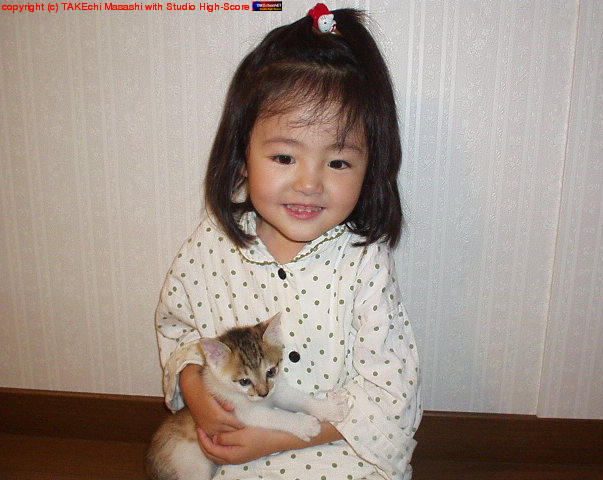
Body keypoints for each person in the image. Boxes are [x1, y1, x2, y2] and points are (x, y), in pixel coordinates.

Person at [154, 4, 422, 479]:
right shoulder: (209, 245)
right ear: (242, 158)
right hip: (229, 445)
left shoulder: (364, 262)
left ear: (370, 169)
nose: (309, 184)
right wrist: (197, 393)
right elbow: (179, 331)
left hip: (337, 447)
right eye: (284, 157)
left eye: (337, 163)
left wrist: (275, 437)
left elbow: (389, 394)